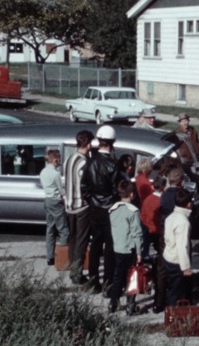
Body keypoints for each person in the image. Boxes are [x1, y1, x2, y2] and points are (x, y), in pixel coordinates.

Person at [81, 125, 122, 295]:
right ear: (112, 143)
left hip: (94, 209)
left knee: (95, 246)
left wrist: (92, 201)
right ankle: (108, 285)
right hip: (109, 209)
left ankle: (93, 281)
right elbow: (116, 189)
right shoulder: (113, 165)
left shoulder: (90, 163)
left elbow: (84, 187)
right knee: (110, 248)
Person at [64, 130, 95, 285]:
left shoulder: (69, 159)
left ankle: (73, 269)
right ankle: (77, 273)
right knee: (81, 242)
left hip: (69, 205)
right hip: (81, 206)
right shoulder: (84, 163)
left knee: (73, 238)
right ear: (88, 144)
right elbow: (85, 186)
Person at [107, 179, 143, 313]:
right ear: (132, 194)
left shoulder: (113, 210)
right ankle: (130, 304)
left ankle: (113, 303)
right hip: (130, 249)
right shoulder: (133, 211)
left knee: (117, 276)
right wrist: (139, 252)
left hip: (118, 248)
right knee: (132, 277)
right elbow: (137, 234)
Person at [153, 167, 185, 313]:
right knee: (180, 268)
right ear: (182, 182)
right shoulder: (182, 195)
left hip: (164, 233)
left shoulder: (164, 196)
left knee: (162, 268)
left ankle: (159, 302)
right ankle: (180, 299)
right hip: (178, 231)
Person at [162, 188, 194, 306]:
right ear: (189, 204)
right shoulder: (183, 222)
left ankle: (172, 315)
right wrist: (186, 267)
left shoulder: (171, 216)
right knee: (176, 292)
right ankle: (173, 318)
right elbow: (182, 246)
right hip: (177, 261)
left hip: (168, 256)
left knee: (172, 288)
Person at [39, 149, 69, 266]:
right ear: (55, 160)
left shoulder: (43, 172)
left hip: (47, 200)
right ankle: (63, 256)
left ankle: (50, 257)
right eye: (59, 159)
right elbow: (61, 191)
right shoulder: (55, 174)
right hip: (56, 202)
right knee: (63, 230)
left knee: (50, 229)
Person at [135, 158, 155, 261]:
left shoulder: (139, 178)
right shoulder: (145, 181)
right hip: (145, 210)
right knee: (145, 234)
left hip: (142, 208)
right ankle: (144, 255)